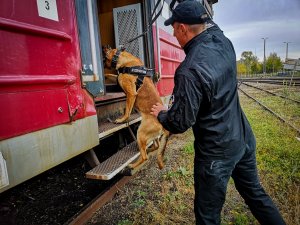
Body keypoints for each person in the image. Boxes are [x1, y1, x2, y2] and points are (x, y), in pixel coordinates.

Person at [150, 1, 286, 225]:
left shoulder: (189, 70)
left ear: (183, 28)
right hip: (242, 138)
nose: (173, 34)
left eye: (173, 28)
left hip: (216, 154)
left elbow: (180, 122)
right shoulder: (224, 43)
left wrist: (163, 114)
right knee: (256, 196)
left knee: (208, 216)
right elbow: (214, 28)